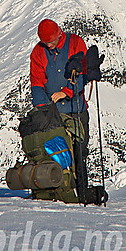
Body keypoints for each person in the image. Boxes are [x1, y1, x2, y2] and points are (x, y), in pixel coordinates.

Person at [29, 18, 90, 193]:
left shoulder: (75, 43)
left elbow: (83, 73)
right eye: (44, 42)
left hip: (76, 109)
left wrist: (67, 91)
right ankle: (60, 192)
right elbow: (37, 82)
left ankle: (82, 192)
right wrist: (42, 109)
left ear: (58, 34)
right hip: (54, 115)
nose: (48, 45)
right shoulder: (38, 52)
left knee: (79, 153)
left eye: (50, 41)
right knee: (54, 155)